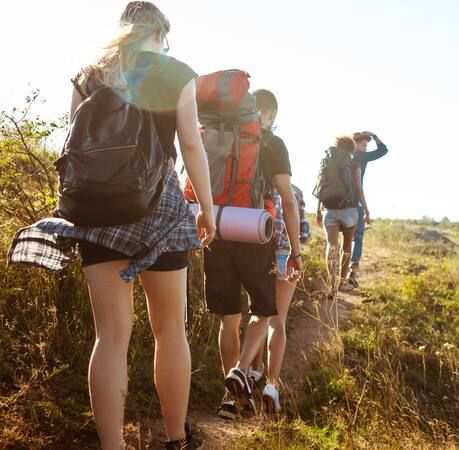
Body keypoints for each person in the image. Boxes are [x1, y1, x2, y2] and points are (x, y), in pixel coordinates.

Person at [8, 2, 215, 448]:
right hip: (159, 211)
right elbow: (192, 148)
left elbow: (72, 147)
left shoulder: (88, 75)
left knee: (111, 336)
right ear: (160, 33)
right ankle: (176, 440)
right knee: (170, 330)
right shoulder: (175, 73)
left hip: (97, 215)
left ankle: (112, 446)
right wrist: (209, 211)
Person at [241, 89, 302, 415]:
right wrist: (296, 251)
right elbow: (297, 222)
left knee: (257, 314)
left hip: (250, 240)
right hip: (282, 249)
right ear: (272, 115)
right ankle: (271, 384)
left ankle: (249, 370)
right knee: (277, 319)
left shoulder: (243, 156)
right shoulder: (293, 189)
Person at [315, 136, 370, 297]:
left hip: (329, 209)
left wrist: (318, 210)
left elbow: (320, 186)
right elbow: (359, 189)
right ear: (351, 150)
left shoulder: (327, 162)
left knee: (331, 246)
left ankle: (331, 284)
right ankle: (340, 282)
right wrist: (366, 211)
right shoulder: (354, 164)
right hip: (349, 211)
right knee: (347, 245)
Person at [346, 131, 388, 288]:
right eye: (363, 145)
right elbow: (383, 150)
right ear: (355, 143)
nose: (364, 148)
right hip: (355, 204)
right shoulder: (360, 157)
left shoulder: (342, 157)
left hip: (339, 204)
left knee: (342, 240)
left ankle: (338, 271)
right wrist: (376, 136)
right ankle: (352, 271)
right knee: (358, 237)